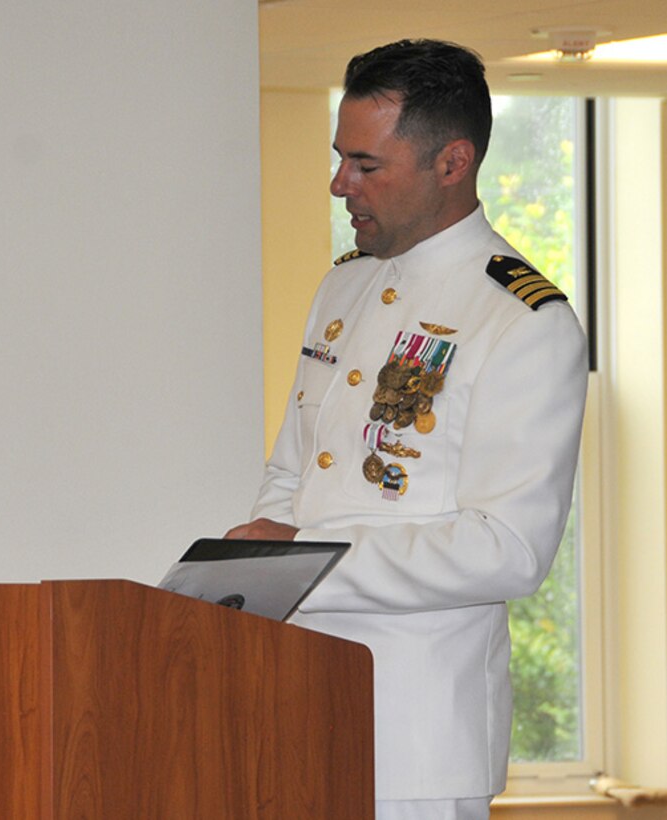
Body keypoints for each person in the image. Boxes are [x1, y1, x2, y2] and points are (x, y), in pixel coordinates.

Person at [226, 39, 588, 820]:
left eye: (366, 166)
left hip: (415, 739)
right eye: (339, 159)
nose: (338, 184)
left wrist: (307, 565)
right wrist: (254, 558)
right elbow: (293, 479)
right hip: (294, 705)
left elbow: (508, 547)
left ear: (451, 163)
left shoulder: (519, 319)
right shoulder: (344, 285)